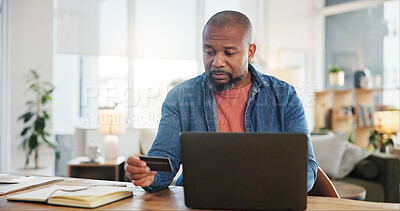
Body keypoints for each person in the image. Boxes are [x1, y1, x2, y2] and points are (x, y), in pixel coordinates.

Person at [125, 10, 318, 193]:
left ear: (250, 52)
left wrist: (276, 184)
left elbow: (307, 166)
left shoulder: (285, 96)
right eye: (209, 52)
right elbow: (164, 160)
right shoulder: (180, 97)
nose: (217, 62)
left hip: (266, 198)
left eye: (229, 53)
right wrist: (148, 174)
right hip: (198, 200)